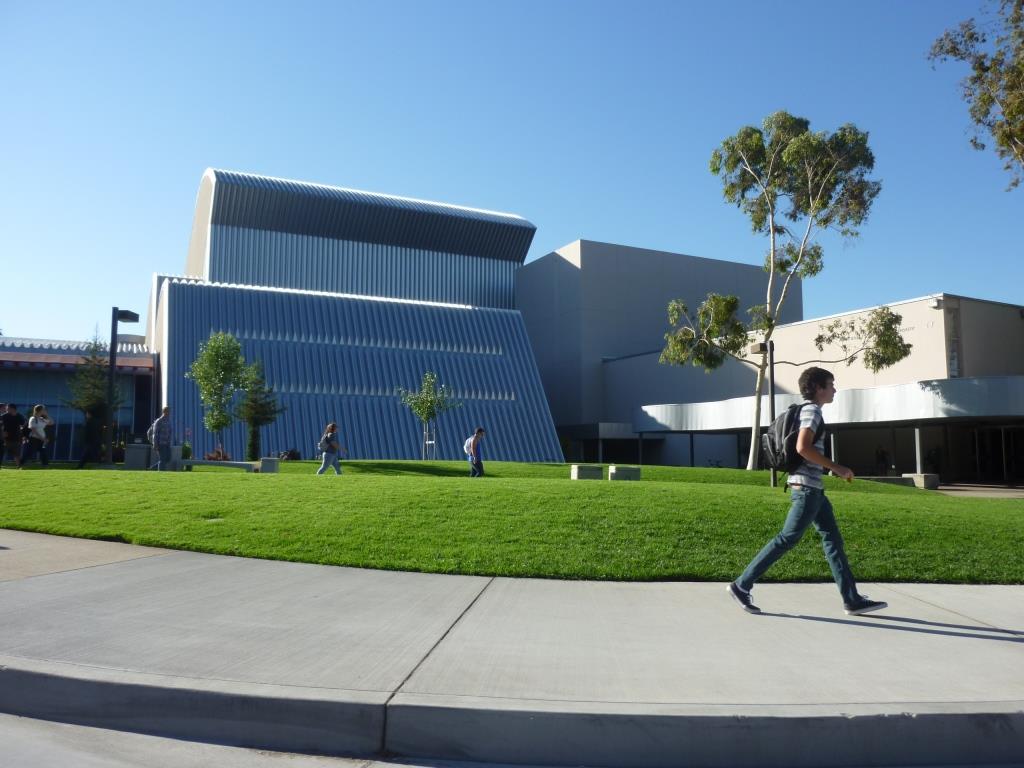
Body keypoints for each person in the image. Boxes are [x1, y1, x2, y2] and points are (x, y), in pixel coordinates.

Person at [728, 367, 887, 617]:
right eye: (831, 384)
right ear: (817, 388)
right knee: (786, 539)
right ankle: (741, 585)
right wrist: (837, 467)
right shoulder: (812, 411)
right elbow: (803, 447)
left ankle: (851, 599)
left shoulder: (806, 411)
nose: (834, 389)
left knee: (832, 540)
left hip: (813, 491)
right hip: (807, 490)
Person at [147, 406, 173, 471]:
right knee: (162, 460)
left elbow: (169, 432)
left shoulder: (168, 421)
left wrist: (169, 441)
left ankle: (152, 469)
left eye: (169, 412)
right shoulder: (159, 421)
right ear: (164, 412)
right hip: (160, 443)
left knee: (168, 459)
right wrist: (155, 444)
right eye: (168, 412)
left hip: (167, 443)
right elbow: (155, 434)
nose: (169, 413)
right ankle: (161, 473)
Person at [2, 403, 26, 467]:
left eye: (8, 409)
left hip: (17, 438)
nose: (6, 410)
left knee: (17, 454)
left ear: (12, 409)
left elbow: (23, 424)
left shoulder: (19, 416)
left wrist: (23, 434)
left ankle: (19, 467)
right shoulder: (4, 416)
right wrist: (2, 432)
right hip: (5, 438)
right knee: (2, 452)